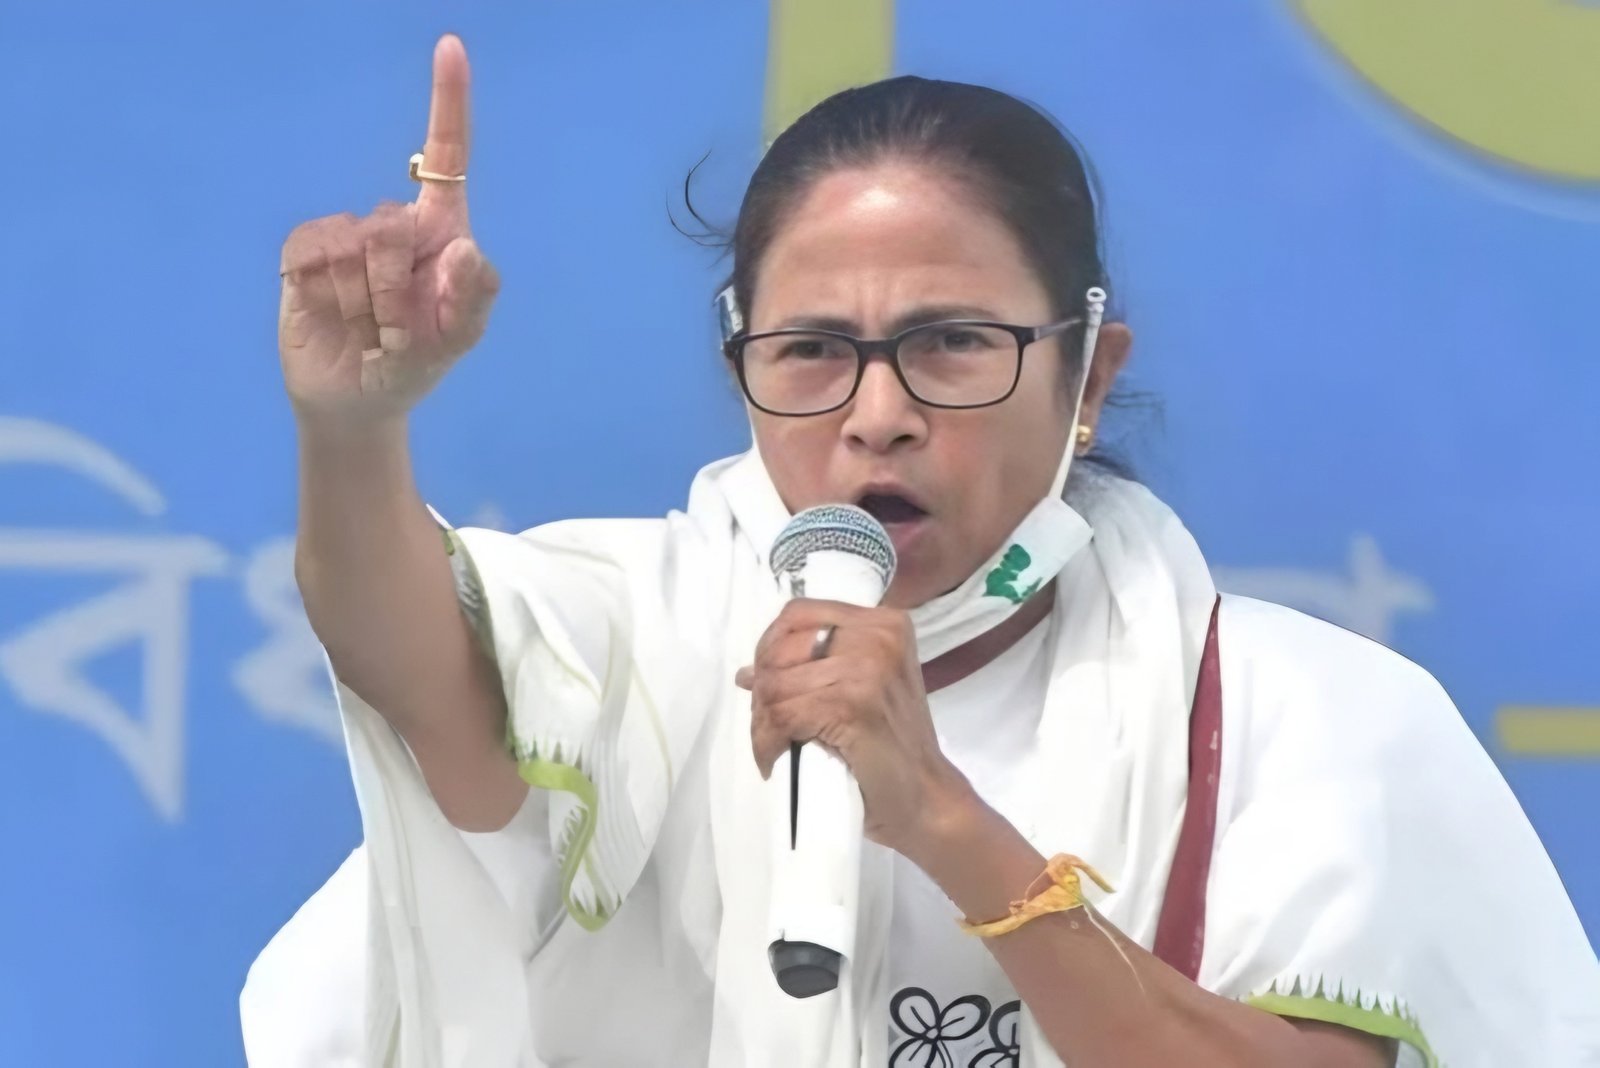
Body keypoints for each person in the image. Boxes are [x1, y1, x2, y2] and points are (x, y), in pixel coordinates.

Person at [244, 33, 1600, 1068]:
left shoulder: (1302, 716)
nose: (876, 415)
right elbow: (397, 653)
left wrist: (943, 819)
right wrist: (351, 430)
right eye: (811, 352)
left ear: (1087, 376)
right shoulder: (641, 632)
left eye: (952, 343)